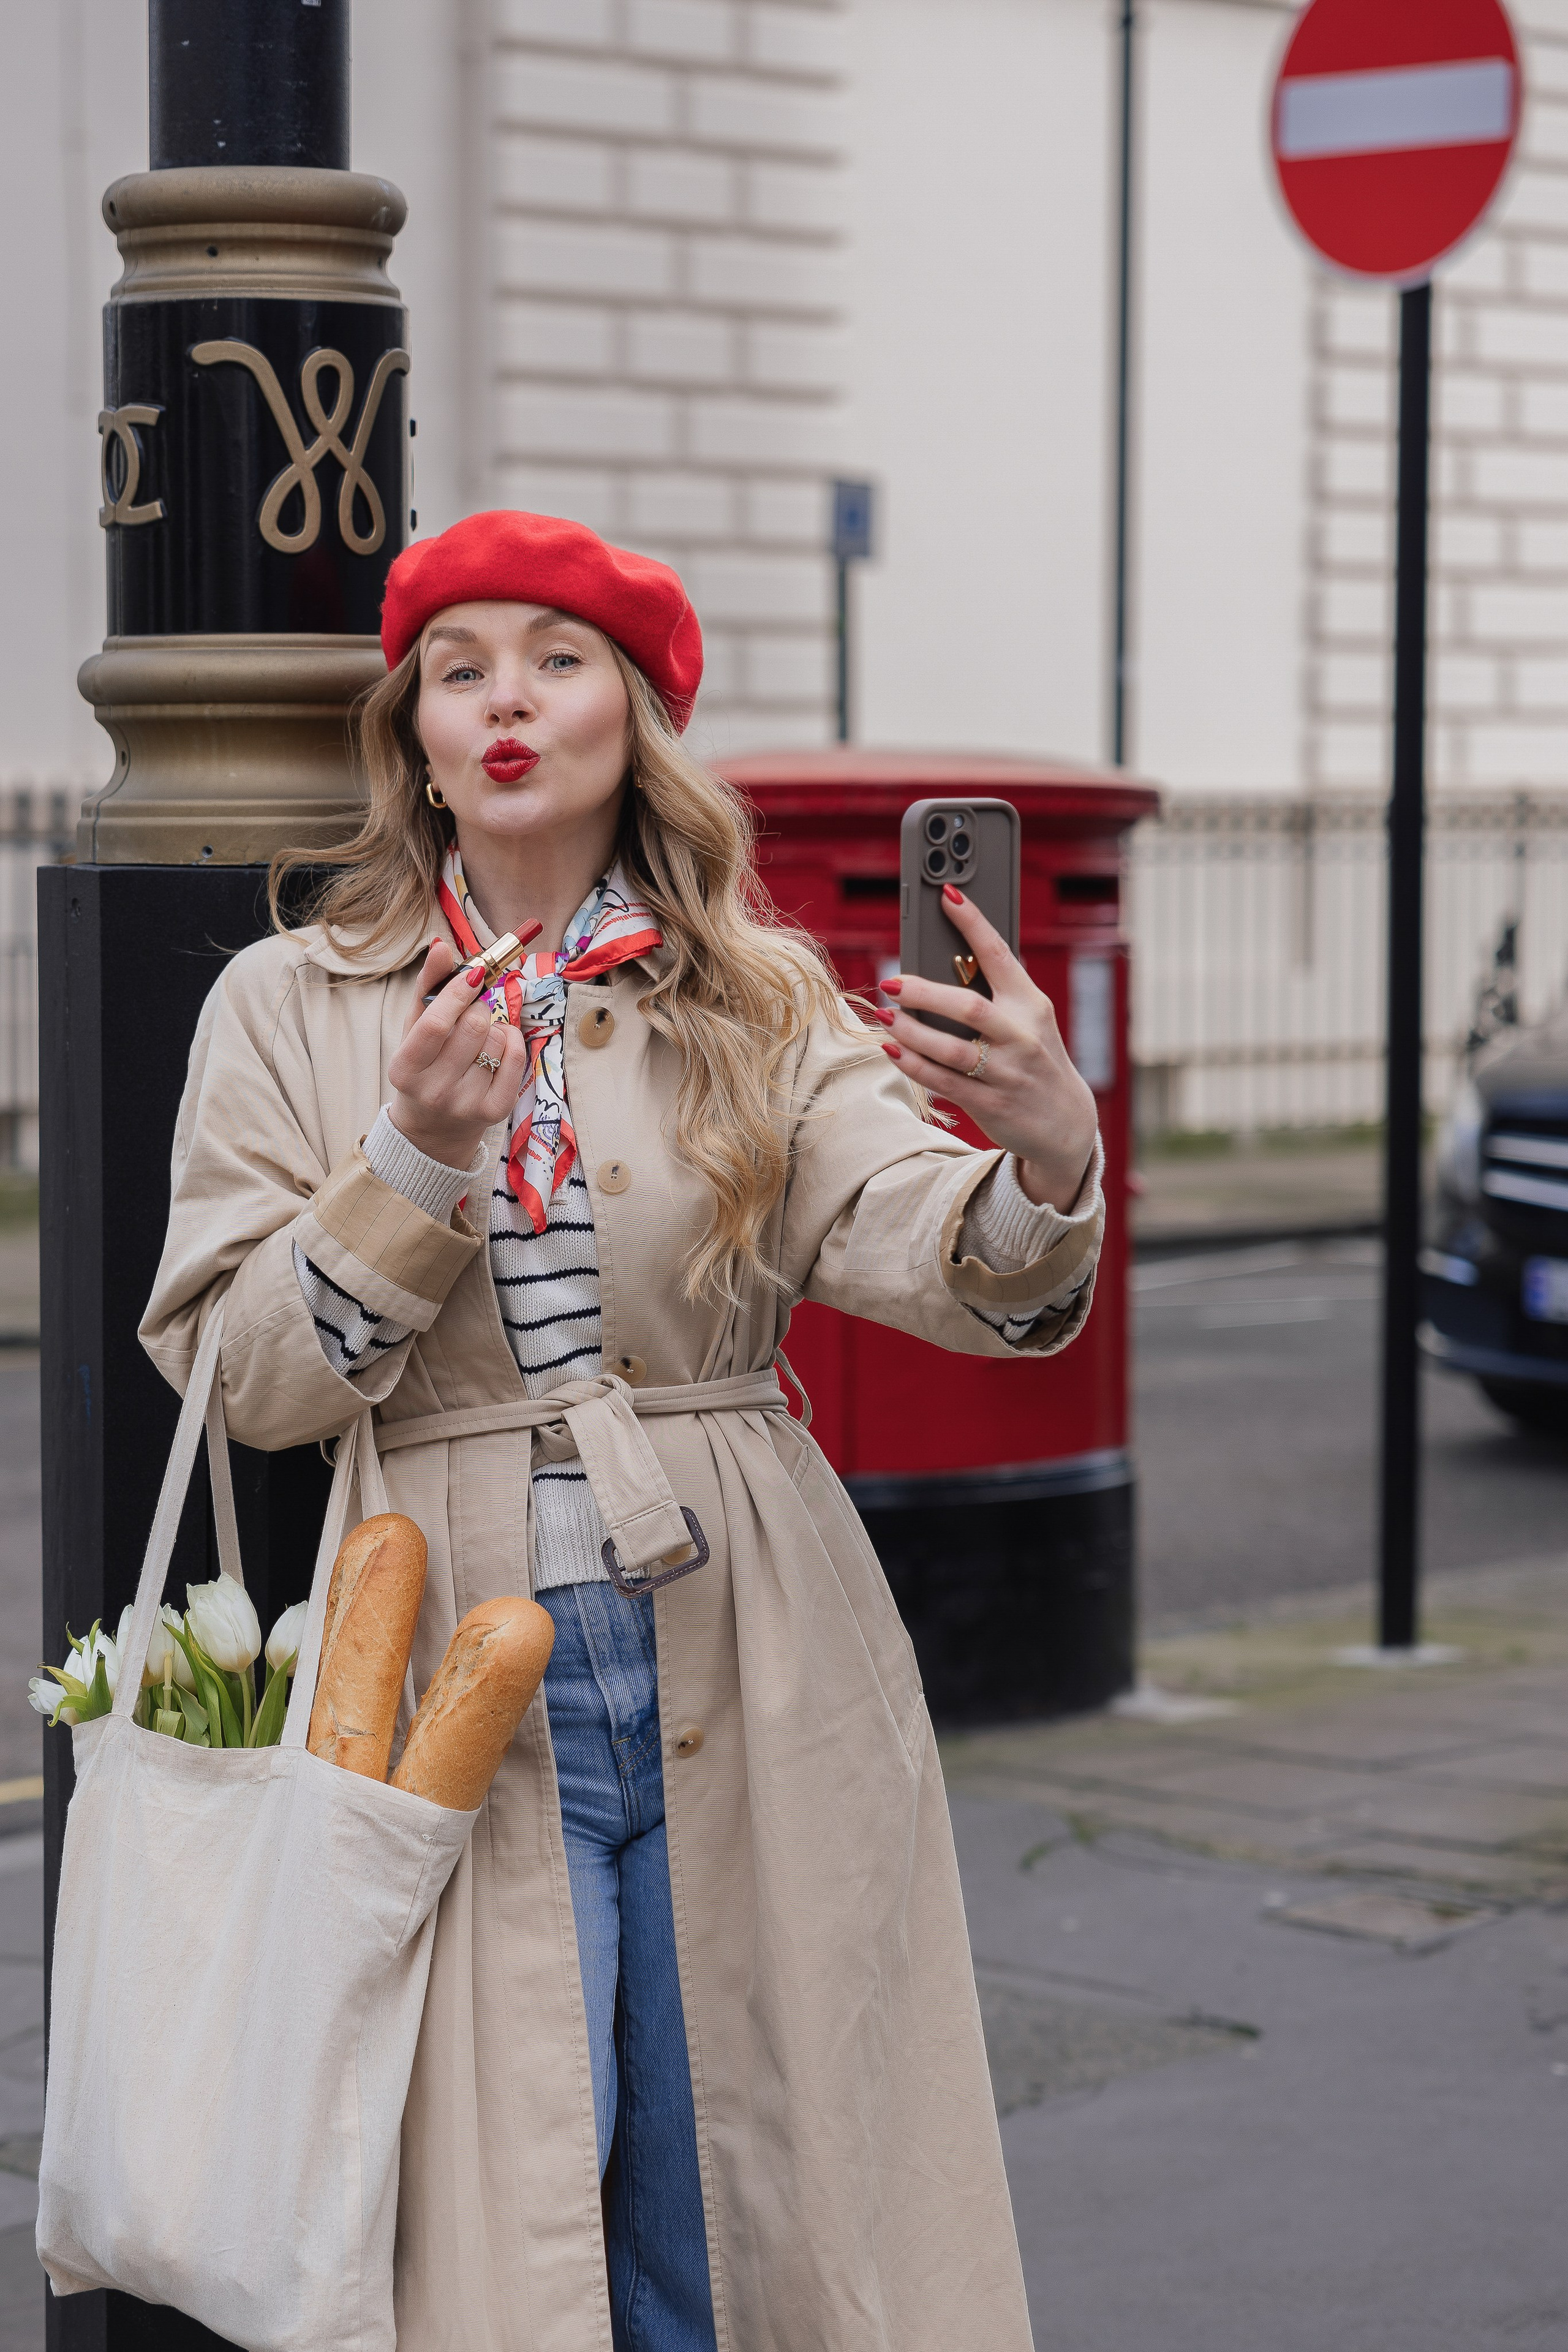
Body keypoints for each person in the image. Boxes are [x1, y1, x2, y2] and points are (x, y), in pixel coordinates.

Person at [142, 510, 1104, 2352]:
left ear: (635, 721)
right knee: (491, 2241)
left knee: (732, 2206)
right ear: (411, 732)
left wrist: (1046, 1160)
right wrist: (411, 1161)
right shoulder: (289, 1002)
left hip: (746, 1627)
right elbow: (248, 1378)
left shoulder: (752, 994)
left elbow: (923, 1235)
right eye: (458, 666)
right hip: (431, 1653)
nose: (505, 699)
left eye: (557, 659)